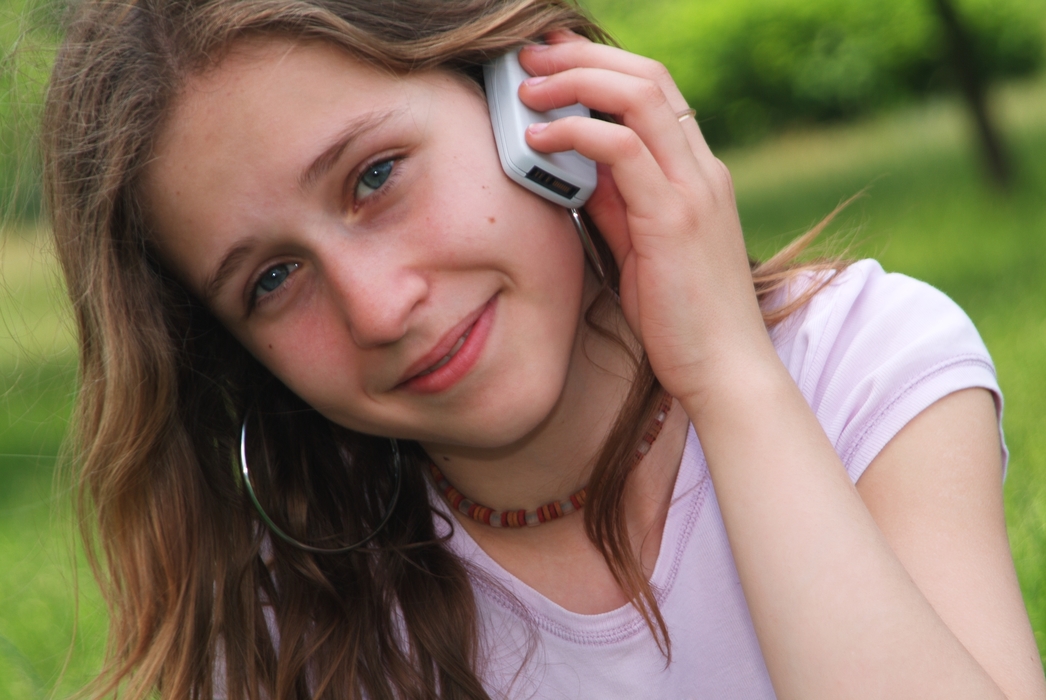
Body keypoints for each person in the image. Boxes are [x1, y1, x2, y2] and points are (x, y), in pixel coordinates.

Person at [41, 0, 1045, 698]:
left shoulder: (859, 367)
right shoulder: (290, 625)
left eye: (375, 175)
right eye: (270, 280)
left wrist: (730, 381)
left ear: (534, 92)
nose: (379, 308)